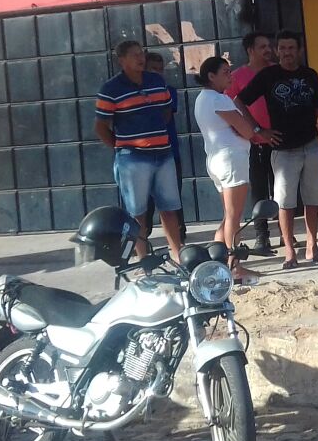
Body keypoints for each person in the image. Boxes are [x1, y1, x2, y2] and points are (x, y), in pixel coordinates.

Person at [234, 31, 318, 269]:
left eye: (291, 48)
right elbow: (239, 100)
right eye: (283, 48)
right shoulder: (268, 75)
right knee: (285, 203)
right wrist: (259, 130)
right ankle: (289, 251)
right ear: (278, 51)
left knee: (313, 199)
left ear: (299, 50)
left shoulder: (310, 74)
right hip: (283, 150)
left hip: (311, 144)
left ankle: (312, 245)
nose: (287, 52)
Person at [94, 40, 184, 261]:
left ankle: (178, 255)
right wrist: (121, 146)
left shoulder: (157, 81)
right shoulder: (110, 89)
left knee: (169, 209)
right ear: (121, 60)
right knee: (137, 213)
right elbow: (101, 126)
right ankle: (143, 261)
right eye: (134, 55)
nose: (140, 58)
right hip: (133, 159)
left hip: (163, 154)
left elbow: (166, 112)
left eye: (141, 53)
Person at [194, 56, 278, 282]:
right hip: (230, 160)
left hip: (216, 159)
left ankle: (218, 264)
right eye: (225, 72)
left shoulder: (202, 98)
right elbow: (248, 131)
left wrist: (240, 130)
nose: (230, 76)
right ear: (211, 76)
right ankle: (234, 267)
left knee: (228, 216)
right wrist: (244, 130)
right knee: (234, 216)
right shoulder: (218, 99)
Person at [225, 31, 280, 255]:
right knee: (259, 190)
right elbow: (231, 108)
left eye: (269, 46)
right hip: (253, 143)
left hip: (279, 140)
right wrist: (254, 131)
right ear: (250, 50)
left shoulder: (277, 71)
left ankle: (286, 233)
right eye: (262, 47)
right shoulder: (237, 77)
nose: (268, 50)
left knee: (281, 190)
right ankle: (262, 235)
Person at [143, 51, 188, 242]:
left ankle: (179, 238)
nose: (158, 73)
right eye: (153, 69)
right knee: (143, 201)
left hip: (168, 152)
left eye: (161, 69)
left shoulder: (168, 91)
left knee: (172, 197)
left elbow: (164, 117)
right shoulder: (135, 93)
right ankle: (141, 240)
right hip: (142, 155)